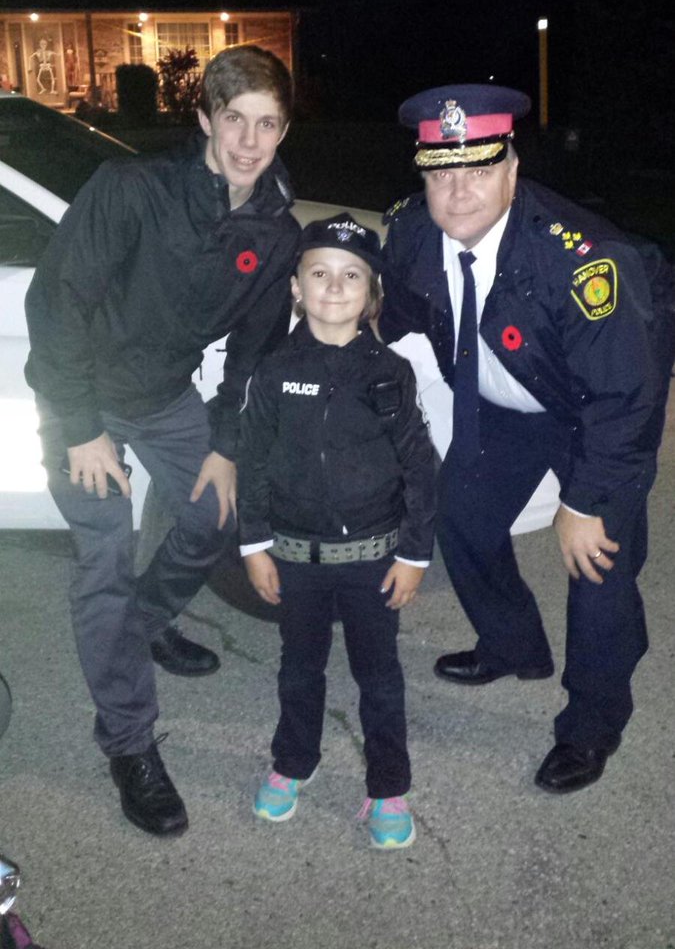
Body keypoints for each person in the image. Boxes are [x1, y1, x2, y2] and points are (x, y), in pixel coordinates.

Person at [24, 45, 302, 836]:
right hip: (81, 397)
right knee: (104, 559)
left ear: (284, 130)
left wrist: (225, 444)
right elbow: (56, 306)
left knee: (217, 513)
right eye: (235, 119)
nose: (249, 142)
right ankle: (128, 741)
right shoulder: (131, 188)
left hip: (164, 396)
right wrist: (81, 429)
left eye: (267, 124)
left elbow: (253, 354)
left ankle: (144, 623)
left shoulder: (274, 231)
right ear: (205, 118)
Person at [379, 84, 675, 795]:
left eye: (478, 170)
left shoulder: (583, 262)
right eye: (441, 174)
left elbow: (626, 398)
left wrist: (586, 502)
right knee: (460, 515)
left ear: (511, 170)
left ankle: (592, 722)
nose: (458, 192)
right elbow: (396, 311)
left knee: (596, 567)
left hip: (593, 415)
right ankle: (512, 646)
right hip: (505, 407)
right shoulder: (414, 231)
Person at [237, 214, 435, 848]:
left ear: (372, 293)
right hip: (295, 559)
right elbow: (252, 459)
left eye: (352, 275)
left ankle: (388, 785)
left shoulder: (391, 372)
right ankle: (295, 761)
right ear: (296, 287)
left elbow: (420, 466)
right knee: (299, 669)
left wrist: (414, 554)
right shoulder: (272, 370)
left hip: (373, 560)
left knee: (380, 677)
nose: (334, 286)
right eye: (318, 272)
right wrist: (254, 544)